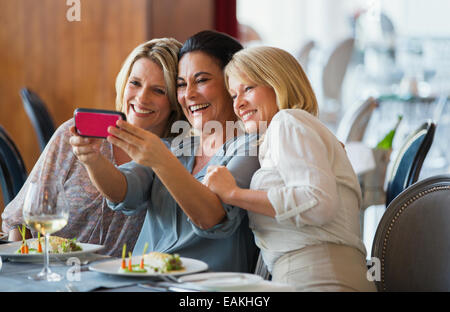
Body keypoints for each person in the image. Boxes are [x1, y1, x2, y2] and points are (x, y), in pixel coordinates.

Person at [70, 30, 260, 273]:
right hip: (140, 278)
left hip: (204, 288)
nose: (188, 94)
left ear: (231, 83)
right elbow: (122, 191)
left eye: (201, 80)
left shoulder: (251, 147)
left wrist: (162, 161)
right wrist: (92, 159)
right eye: (181, 84)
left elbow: (213, 219)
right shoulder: (176, 146)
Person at [203, 46, 377, 291]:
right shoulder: (288, 131)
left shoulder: (288, 121)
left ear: (278, 83)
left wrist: (233, 194)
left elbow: (317, 203)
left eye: (248, 88)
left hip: (321, 278)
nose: (239, 104)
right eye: (233, 95)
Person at [1, 38, 184, 257]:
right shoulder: (75, 135)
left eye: (159, 90)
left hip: (121, 281)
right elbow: (18, 221)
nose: (142, 97)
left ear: (175, 99)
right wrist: (25, 268)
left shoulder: (176, 159)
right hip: (53, 275)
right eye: (135, 83)